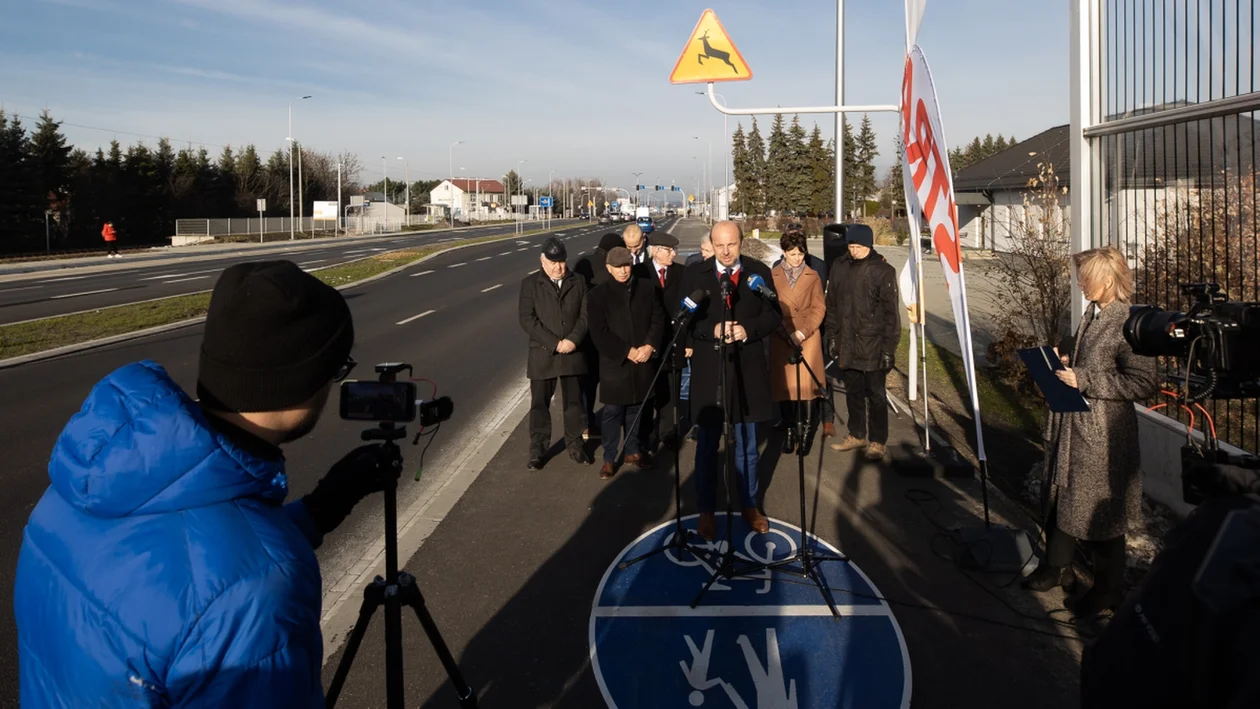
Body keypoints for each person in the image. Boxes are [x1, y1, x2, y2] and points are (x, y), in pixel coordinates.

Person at [14, 260, 389, 706]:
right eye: (336, 368)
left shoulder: (82, 485)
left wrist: (319, 510)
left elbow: (176, 572)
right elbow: (222, 579)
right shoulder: (261, 592)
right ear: (306, 379)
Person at [1021, 246, 1157, 619]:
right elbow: (1090, 361)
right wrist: (1066, 361)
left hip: (1104, 435)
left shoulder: (1129, 321)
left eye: (1087, 279)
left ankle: (1108, 590)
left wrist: (1085, 378)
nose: (1080, 285)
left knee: (1102, 513)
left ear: (1108, 280)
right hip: (1073, 424)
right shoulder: (1093, 312)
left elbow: (1143, 383)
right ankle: (1056, 567)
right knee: (1062, 493)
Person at [680, 221, 778, 539]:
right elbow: (687, 322)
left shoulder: (757, 272)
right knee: (707, 446)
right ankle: (706, 510)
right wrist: (713, 331)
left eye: (731, 245)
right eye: (719, 245)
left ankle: (749, 504)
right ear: (711, 244)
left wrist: (747, 330)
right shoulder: (696, 274)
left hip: (746, 371)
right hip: (710, 374)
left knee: (747, 446)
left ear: (741, 243)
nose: (725, 251)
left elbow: (773, 315)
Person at [587, 247, 664, 479]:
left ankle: (632, 451)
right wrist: (626, 351)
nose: (623, 271)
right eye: (618, 267)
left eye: (627, 266)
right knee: (612, 412)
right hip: (615, 363)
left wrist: (649, 346)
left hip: (642, 359)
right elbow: (599, 332)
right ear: (609, 268)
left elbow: (658, 320)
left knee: (637, 409)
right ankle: (609, 457)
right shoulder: (598, 295)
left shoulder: (647, 289)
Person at [825, 225, 900, 461]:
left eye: (859, 246)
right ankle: (856, 434)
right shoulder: (839, 266)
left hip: (873, 344)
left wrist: (889, 349)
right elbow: (832, 304)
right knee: (853, 392)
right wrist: (831, 336)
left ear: (869, 245)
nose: (855, 250)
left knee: (876, 395)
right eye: (852, 246)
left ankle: (878, 441)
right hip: (847, 341)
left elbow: (891, 315)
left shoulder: (883, 271)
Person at [518, 237, 592, 470]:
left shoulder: (578, 281)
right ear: (542, 261)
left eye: (561, 262)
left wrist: (573, 339)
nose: (558, 267)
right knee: (540, 404)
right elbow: (527, 319)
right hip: (543, 353)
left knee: (573, 404)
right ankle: (538, 450)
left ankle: (575, 445)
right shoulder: (530, 284)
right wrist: (554, 343)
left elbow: (586, 314)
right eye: (553, 262)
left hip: (572, 351)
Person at [773, 223, 836, 438]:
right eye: (793, 254)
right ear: (784, 252)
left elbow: (819, 306)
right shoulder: (772, 274)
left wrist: (803, 332)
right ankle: (789, 429)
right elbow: (770, 307)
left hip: (806, 334)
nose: (797, 258)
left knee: (809, 385)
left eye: (801, 254)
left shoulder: (814, 273)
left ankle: (808, 431)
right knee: (785, 385)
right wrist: (784, 331)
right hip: (782, 334)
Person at [574, 232, 626, 437]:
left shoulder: (583, 262)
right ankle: (615, 419)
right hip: (611, 333)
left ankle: (587, 422)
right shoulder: (612, 268)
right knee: (612, 379)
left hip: (587, 335)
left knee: (588, 382)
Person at [639, 232, 686, 451]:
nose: (673, 254)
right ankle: (647, 435)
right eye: (668, 250)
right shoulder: (641, 272)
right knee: (649, 391)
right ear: (655, 251)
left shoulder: (681, 272)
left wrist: (689, 343)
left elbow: (688, 309)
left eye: (673, 250)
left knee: (671, 390)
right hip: (649, 341)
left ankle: (667, 432)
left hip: (674, 340)